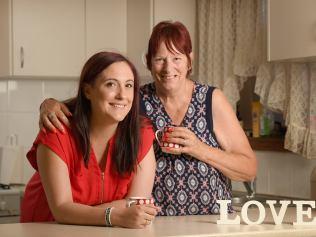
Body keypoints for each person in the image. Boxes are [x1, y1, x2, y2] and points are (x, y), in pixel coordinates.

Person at [38, 21, 257, 216]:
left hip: (213, 220)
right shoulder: (133, 99)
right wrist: (48, 104)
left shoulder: (211, 100)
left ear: (190, 61)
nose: (168, 68)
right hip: (151, 221)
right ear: (149, 63)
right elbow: (89, 102)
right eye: (160, 59)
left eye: (177, 58)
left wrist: (198, 148)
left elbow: (248, 169)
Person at [21, 51, 159, 228]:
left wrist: (80, 212)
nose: (122, 95)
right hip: (47, 227)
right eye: (111, 84)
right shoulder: (57, 132)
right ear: (87, 90)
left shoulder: (141, 135)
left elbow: (137, 203)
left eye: (129, 85)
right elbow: (61, 209)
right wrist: (114, 215)